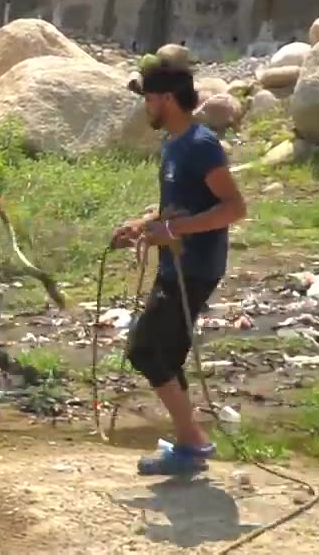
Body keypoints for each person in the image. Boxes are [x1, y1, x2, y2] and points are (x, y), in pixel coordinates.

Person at [111, 56, 247, 476]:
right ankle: (190, 445)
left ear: (166, 98)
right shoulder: (172, 144)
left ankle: (191, 442)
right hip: (175, 266)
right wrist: (143, 225)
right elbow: (177, 208)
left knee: (145, 351)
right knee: (164, 354)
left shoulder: (201, 145)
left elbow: (234, 208)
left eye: (148, 98)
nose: (145, 106)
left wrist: (176, 229)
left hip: (197, 267)